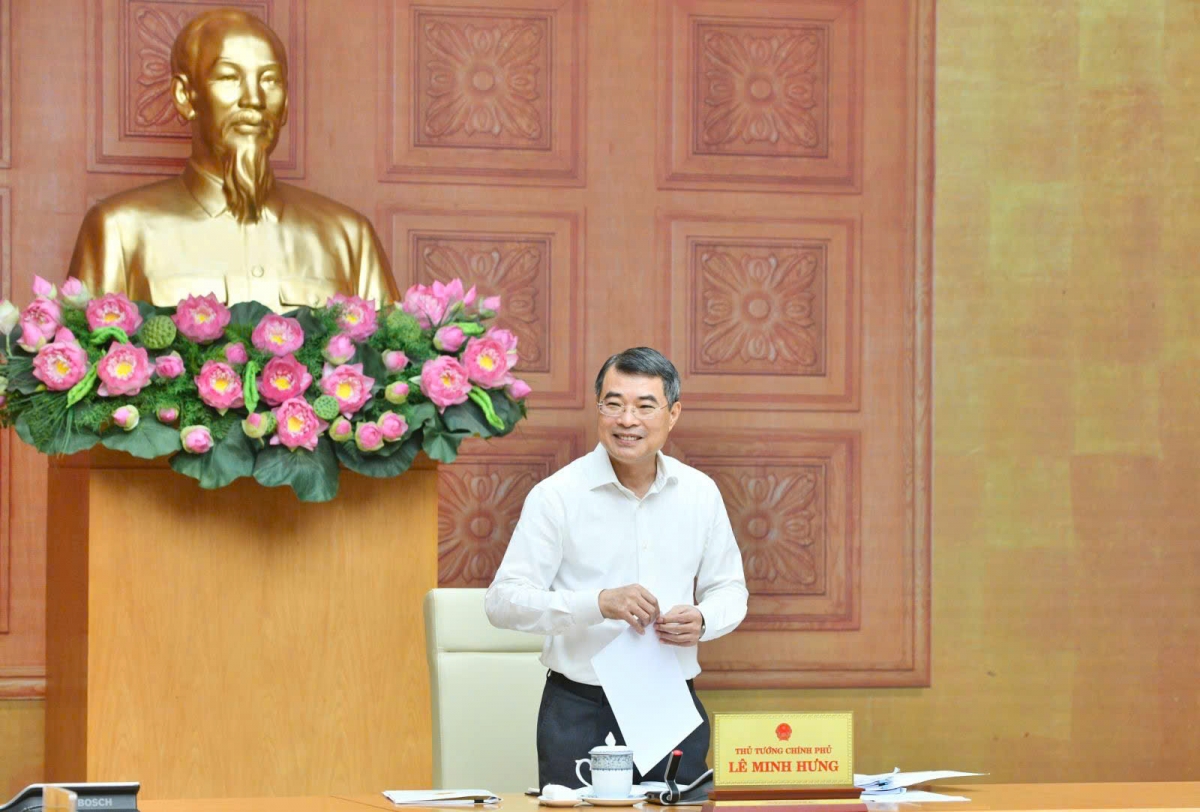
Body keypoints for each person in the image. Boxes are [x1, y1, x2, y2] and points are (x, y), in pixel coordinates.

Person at [485, 347, 749, 789]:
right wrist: (598, 603)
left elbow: (731, 590)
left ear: (673, 413)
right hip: (578, 707)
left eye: (645, 406)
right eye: (614, 404)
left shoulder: (699, 493)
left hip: (669, 703)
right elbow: (502, 602)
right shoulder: (557, 496)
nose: (628, 420)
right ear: (598, 409)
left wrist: (704, 619)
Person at [68, 9, 397, 311]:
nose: (253, 99)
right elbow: (88, 362)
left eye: (270, 80)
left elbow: (393, 366)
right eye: (228, 77)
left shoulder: (349, 237)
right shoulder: (119, 230)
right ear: (185, 95)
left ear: (285, 105)